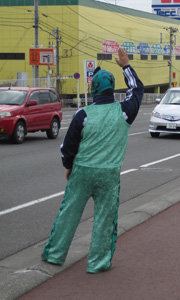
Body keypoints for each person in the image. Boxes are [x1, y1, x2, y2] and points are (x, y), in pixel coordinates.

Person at [42, 48, 144, 274]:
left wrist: (68, 166)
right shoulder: (124, 111)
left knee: (68, 213)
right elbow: (137, 89)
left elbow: (69, 146)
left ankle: (55, 254)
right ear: (111, 88)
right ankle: (98, 263)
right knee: (105, 219)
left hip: (82, 170)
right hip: (109, 174)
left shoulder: (83, 114)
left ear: (93, 88)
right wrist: (126, 66)